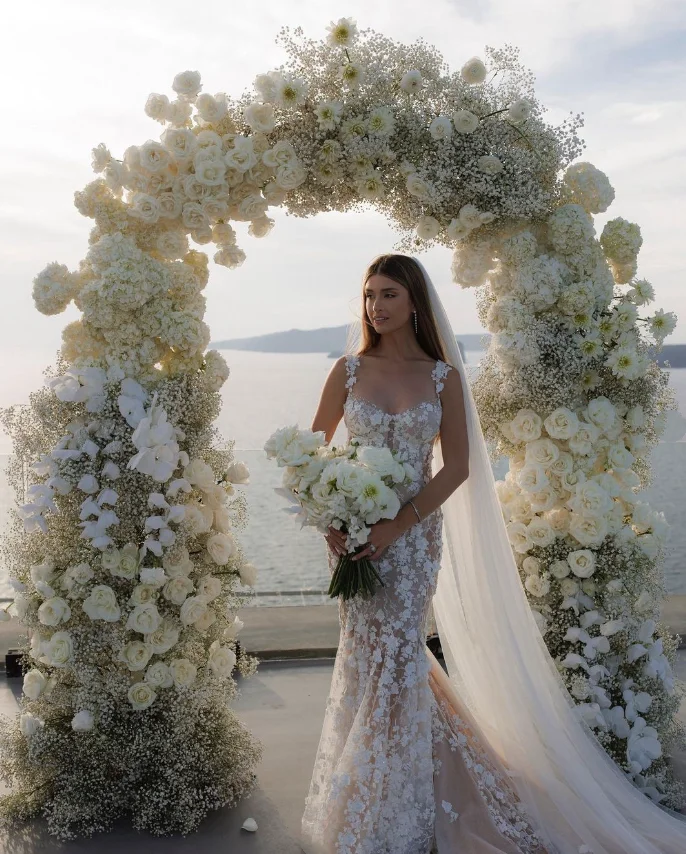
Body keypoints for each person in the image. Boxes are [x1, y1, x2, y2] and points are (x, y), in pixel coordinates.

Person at [300, 253, 686, 854]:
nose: (376, 306)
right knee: (364, 656)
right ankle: (372, 793)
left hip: (410, 537)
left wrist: (399, 525)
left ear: (415, 303)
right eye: (370, 294)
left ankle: (386, 804)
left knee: (398, 655)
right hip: (354, 537)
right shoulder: (347, 372)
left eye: (390, 295)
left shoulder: (441, 378)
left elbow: (456, 468)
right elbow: (312, 455)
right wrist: (331, 523)